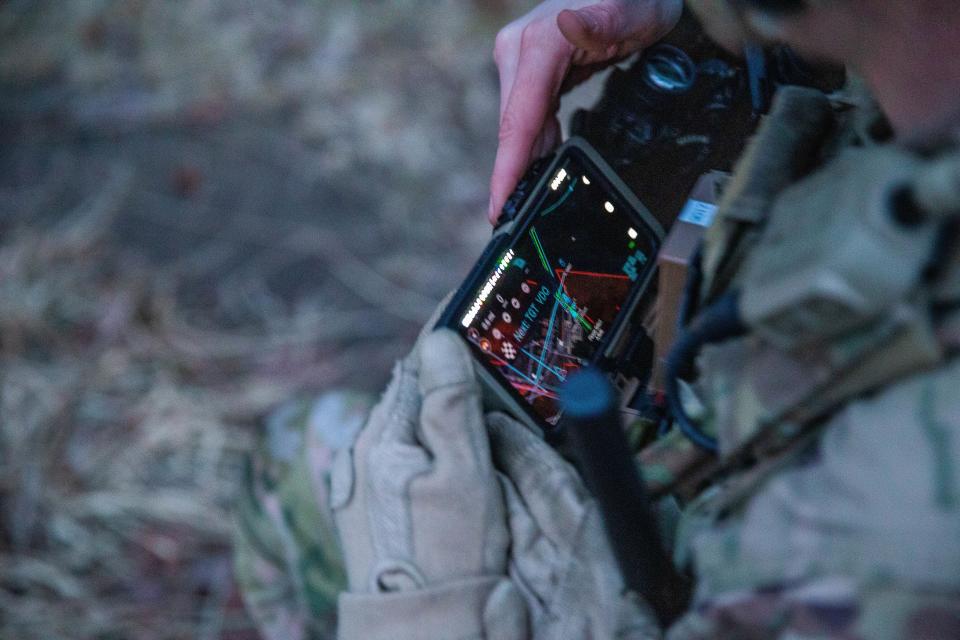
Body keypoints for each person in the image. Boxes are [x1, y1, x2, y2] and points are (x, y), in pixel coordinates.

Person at [233, 1, 960, 638]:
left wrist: (429, 600)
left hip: (702, 554)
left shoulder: (890, 546)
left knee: (301, 461)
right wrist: (711, 20)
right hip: (723, 444)